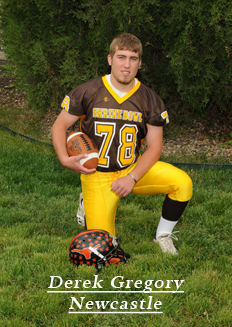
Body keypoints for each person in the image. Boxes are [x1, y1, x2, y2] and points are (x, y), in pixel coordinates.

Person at [52, 33, 193, 255]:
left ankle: (163, 235)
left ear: (140, 63)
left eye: (133, 59)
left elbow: (155, 147)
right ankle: (87, 202)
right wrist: (63, 158)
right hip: (97, 175)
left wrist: (132, 177)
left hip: (132, 169)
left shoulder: (150, 99)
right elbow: (59, 127)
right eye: (121, 57)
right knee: (103, 249)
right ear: (110, 59)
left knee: (182, 183)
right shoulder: (88, 91)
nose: (126, 65)